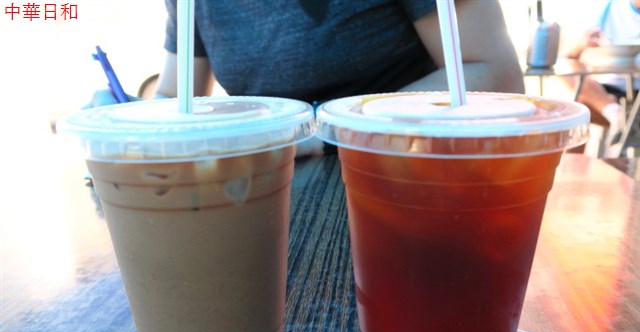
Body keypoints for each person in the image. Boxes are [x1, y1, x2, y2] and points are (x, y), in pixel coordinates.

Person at [92, 0, 525, 155]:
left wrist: (317, 129)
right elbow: (176, 94)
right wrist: (129, 119)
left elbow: (495, 74)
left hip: (406, 174)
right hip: (265, 192)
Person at [560, 0, 640, 157]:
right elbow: (569, 56)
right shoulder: (610, 8)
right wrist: (582, 45)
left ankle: (617, 118)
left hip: (636, 92)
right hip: (609, 91)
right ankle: (615, 113)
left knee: (580, 111)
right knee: (578, 110)